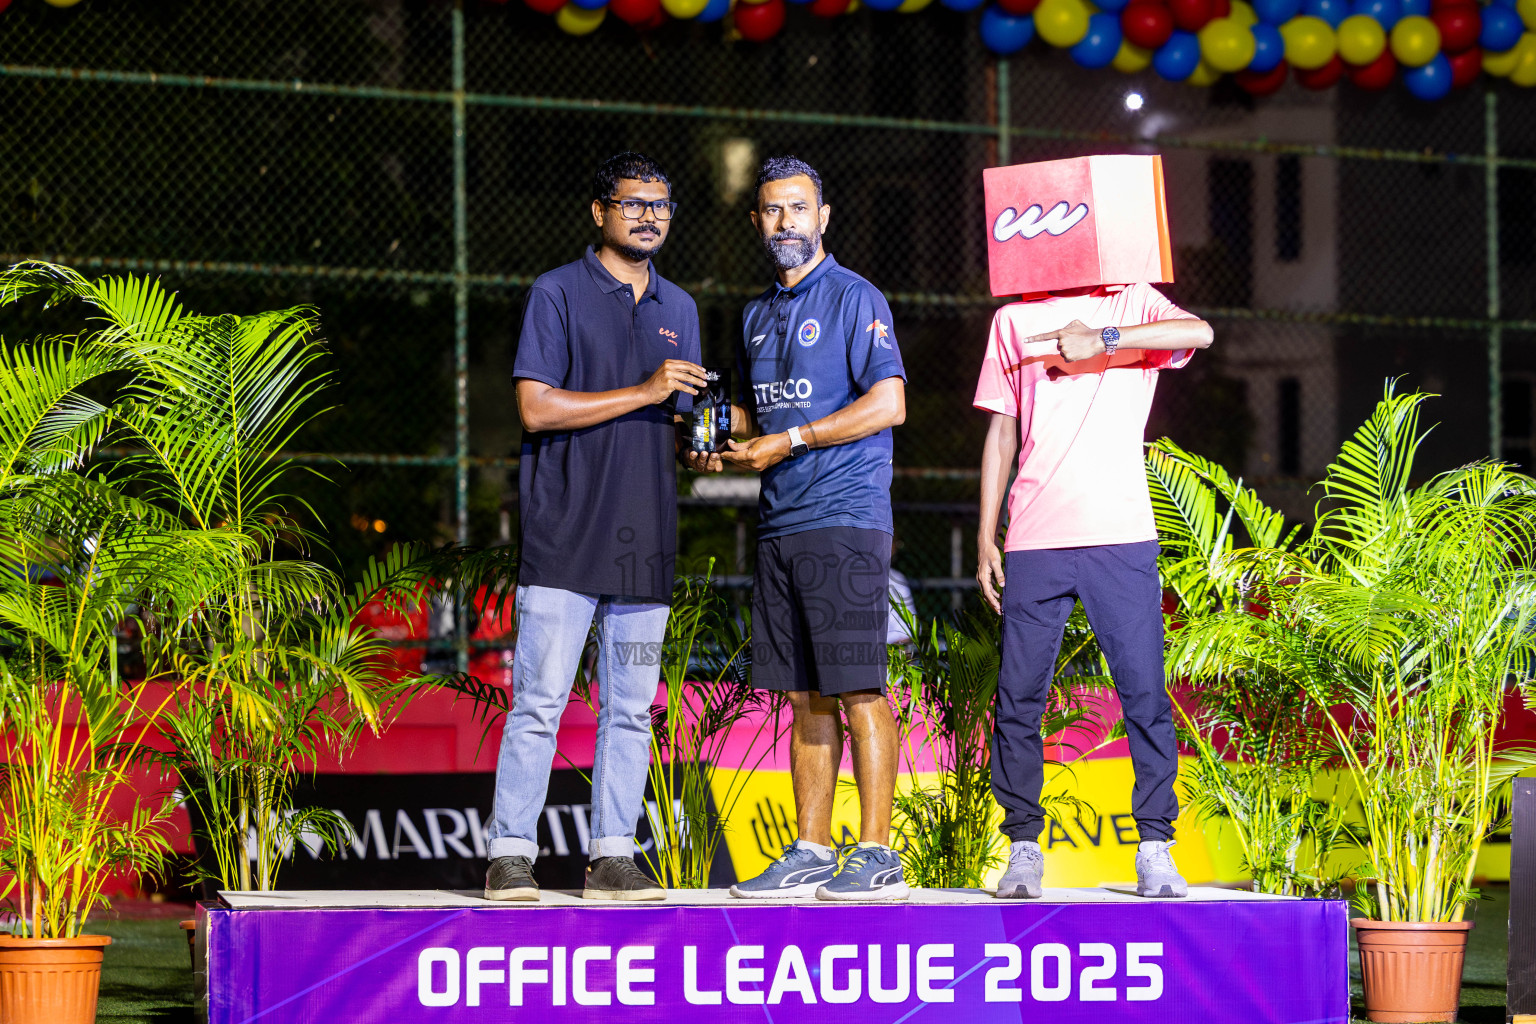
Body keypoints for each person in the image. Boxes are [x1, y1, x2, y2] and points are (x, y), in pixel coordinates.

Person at [484, 152, 705, 902]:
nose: (648, 216)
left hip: (644, 547)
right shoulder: (557, 293)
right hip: (565, 539)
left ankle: (612, 854)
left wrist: (707, 438)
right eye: (633, 203)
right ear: (599, 212)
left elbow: (676, 422)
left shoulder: (681, 308)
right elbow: (536, 407)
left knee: (631, 711)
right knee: (540, 703)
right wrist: (642, 390)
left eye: (661, 205)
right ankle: (511, 852)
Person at [691, 155, 910, 901]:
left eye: (798, 209)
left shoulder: (855, 297)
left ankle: (879, 855)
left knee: (857, 690)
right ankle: (811, 850)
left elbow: (887, 404)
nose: (786, 222)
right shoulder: (756, 314)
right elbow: (775, 417)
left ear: (823, 218)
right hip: (781, 523)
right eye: (772, 211)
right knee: (805, 698)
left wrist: (790, 442)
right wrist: (725, 428)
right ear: (757, 222)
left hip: (844, 519)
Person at [974, 284, 1213, 900]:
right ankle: (1023, 846)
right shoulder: (1015, 318)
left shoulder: (1133, 300)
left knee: (1144, 695)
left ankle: (1155, 847)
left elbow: (1199, 333)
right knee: (1019, 700)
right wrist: (984, 533)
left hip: (1121, 535)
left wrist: (1102, 339)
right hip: (1033, 536)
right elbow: (1002, 431)